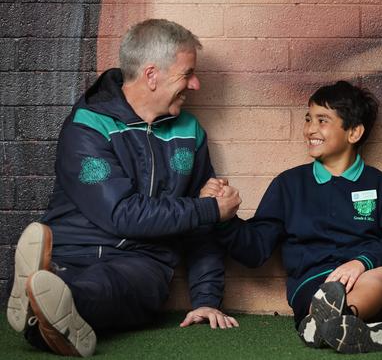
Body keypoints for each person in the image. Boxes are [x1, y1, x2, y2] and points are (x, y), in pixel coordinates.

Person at [6, 19, 241, 357]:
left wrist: (206, 300)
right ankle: (46, 294)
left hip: (141, 262)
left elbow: (201, 228)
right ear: (151, 75)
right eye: (187, 73)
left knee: (107, 287)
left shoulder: (190, 133)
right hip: (71, 249)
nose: (196, 83)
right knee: (66, 279)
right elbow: (120, 213)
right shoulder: (87, 126)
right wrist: (209, 209)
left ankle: (44, 304)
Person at [214, 81, 382, 353]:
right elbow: (255, 249)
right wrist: (223, 218)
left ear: (354, 132)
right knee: (326, 293)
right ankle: (347, 328)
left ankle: (333, 324)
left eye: (322, 120)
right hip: (314, 285)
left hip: (370, 284)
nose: (310, 129)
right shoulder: (288, 185)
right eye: (308, 119)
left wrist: (362, 262)